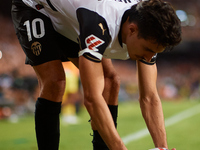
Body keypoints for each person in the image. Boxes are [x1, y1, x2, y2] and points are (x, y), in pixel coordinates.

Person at [11, 0, 182, 150]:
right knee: (55, 81)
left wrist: (162, 148)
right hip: (37, 8)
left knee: (111, 81)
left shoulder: (149, 24)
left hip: (72, 19)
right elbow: (92, 99)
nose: (148, 58)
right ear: (131, 30)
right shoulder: (99, 22)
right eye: (148, 50)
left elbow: (150, 97)